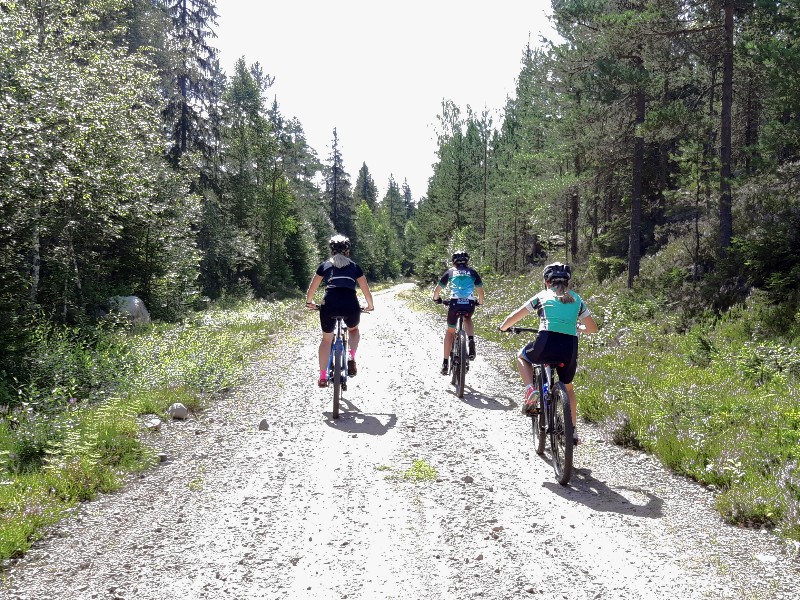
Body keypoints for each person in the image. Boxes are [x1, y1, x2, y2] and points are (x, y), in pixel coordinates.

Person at [498, 262, 597, 444]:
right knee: (568, 387)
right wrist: (577, 327)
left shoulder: (542, 296)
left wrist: (503, 327)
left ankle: (530, 390)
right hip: (569, 347)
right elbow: (592, 328)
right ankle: (572, 432)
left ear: (546, 281)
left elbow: (514, 316)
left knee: (522, 356)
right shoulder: (577, 299)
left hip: (546, 342)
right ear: (567, 282)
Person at [305, 234, 374, 387]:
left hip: (329, 303)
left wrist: (309, 302)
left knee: (326, 340)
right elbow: (365, 289)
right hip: (350, 303)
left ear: (331, 250)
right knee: (353, 330)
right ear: (347, 251)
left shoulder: (325, 266)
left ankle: (323, 377)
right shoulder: (355, 267)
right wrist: (370, 305)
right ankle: (351, 356)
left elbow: (312, 288)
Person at [432, 250, 485, 375]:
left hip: (454, 303)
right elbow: (481, 293)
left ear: (453, 262)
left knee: (450, 331)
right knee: (467, 319)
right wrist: (480, 302)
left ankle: (445, 363)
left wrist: (436, 299)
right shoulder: (472, 272)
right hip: (469, 304)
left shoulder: (450, 272)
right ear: (467, 261)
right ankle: (471, 340)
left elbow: (437, 291)